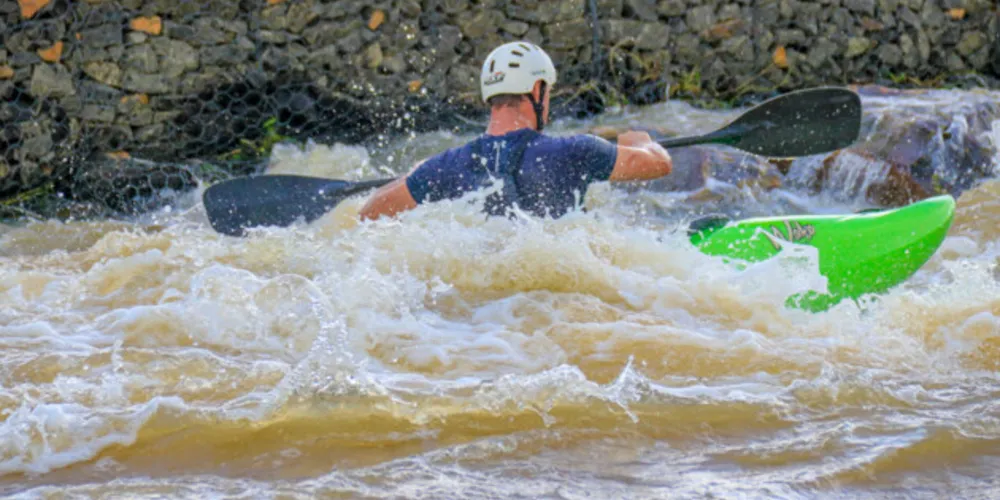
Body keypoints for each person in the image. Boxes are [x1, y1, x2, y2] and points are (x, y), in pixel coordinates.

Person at [358, 41, 673, 221]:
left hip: (488, 315)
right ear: (537, 90)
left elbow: (369, 214)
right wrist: (641, 140)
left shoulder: (444, 167)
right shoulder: (577, 150)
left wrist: (415, 175)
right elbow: (658, 165)